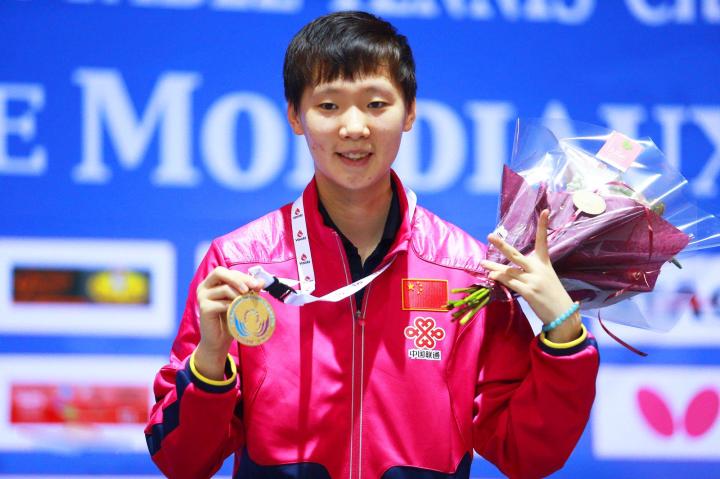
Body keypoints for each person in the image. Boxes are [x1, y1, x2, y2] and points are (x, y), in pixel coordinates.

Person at [145, 11, 599, 479]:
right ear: (295, 116)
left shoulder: (468, 271)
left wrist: (564, 333)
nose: (354, 127)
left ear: (411, 111)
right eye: (328, 106)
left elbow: (527, 454)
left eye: (376, 104)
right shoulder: (240, 266)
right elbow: (182, 462)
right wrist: (210, 362)